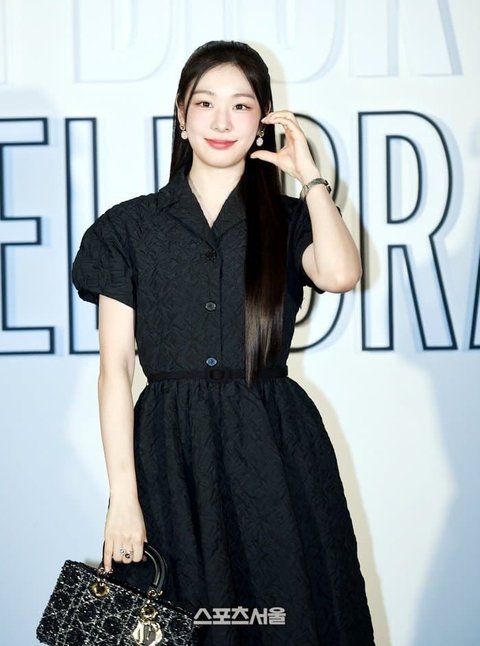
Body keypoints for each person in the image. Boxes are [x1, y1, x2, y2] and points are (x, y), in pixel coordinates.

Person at [71, 40, 375, 646]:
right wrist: (123, 496)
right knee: (179, 623)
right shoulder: (127, 229)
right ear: (181, 117)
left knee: (285, 619)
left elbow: (342, 273)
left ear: (263, 121)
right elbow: (114, 372)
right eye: (205, 103)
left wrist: (310, 177)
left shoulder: (288, 219)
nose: (221, 121)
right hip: (168, 455)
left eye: (241, 106)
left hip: (272, 443)